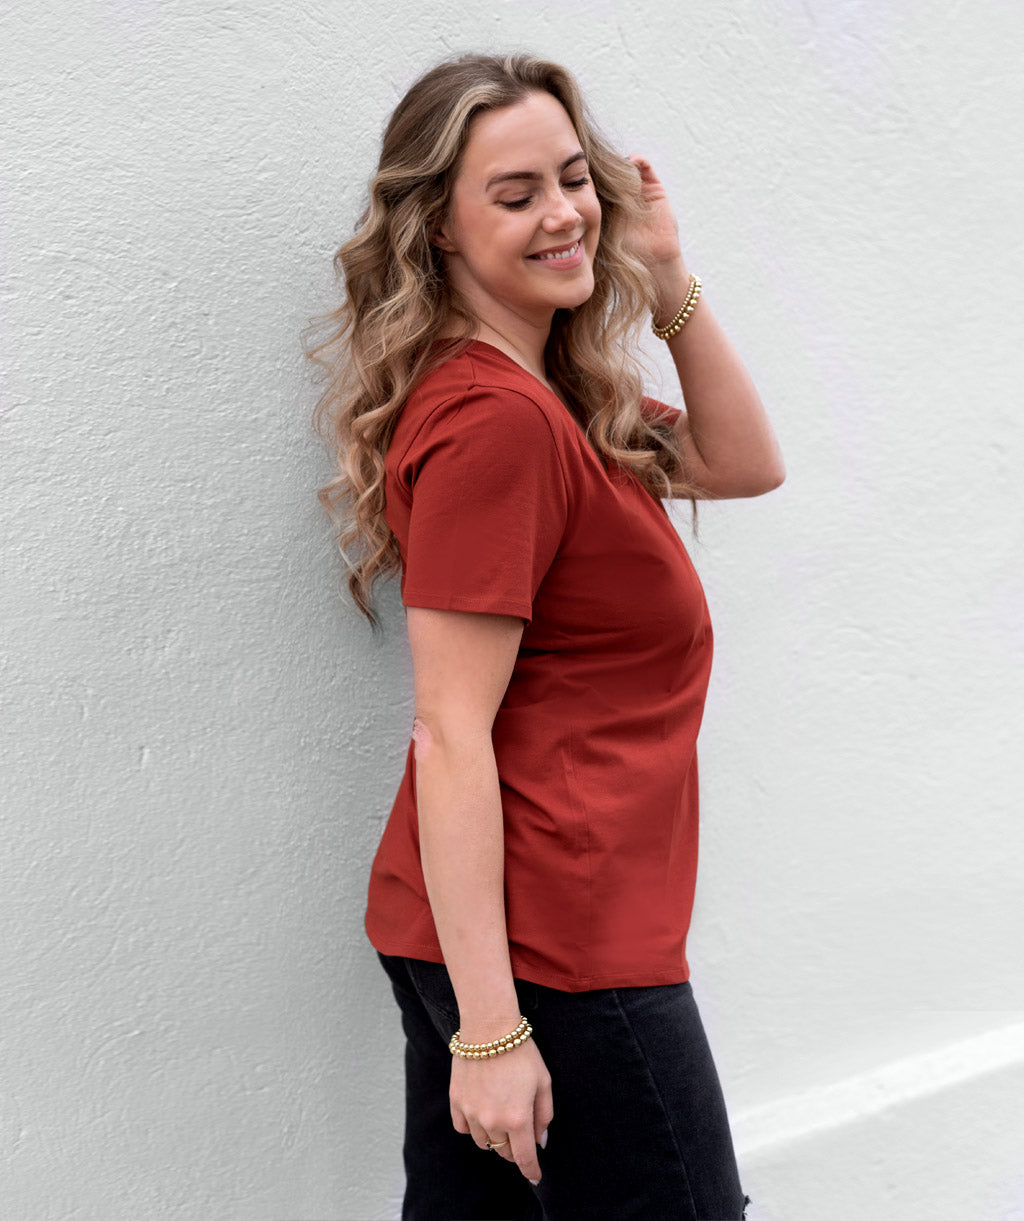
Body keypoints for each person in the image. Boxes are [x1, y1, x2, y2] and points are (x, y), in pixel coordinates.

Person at [308, 51, 784, 1221]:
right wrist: (490, 1030)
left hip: (516, 933)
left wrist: (665, 275)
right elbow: (448, 731)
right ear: (439, 228)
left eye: (573, 178)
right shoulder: (498, 424)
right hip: (556, 953)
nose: (564, 213)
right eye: (515, 196)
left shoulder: (561, 398)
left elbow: (742, 463)